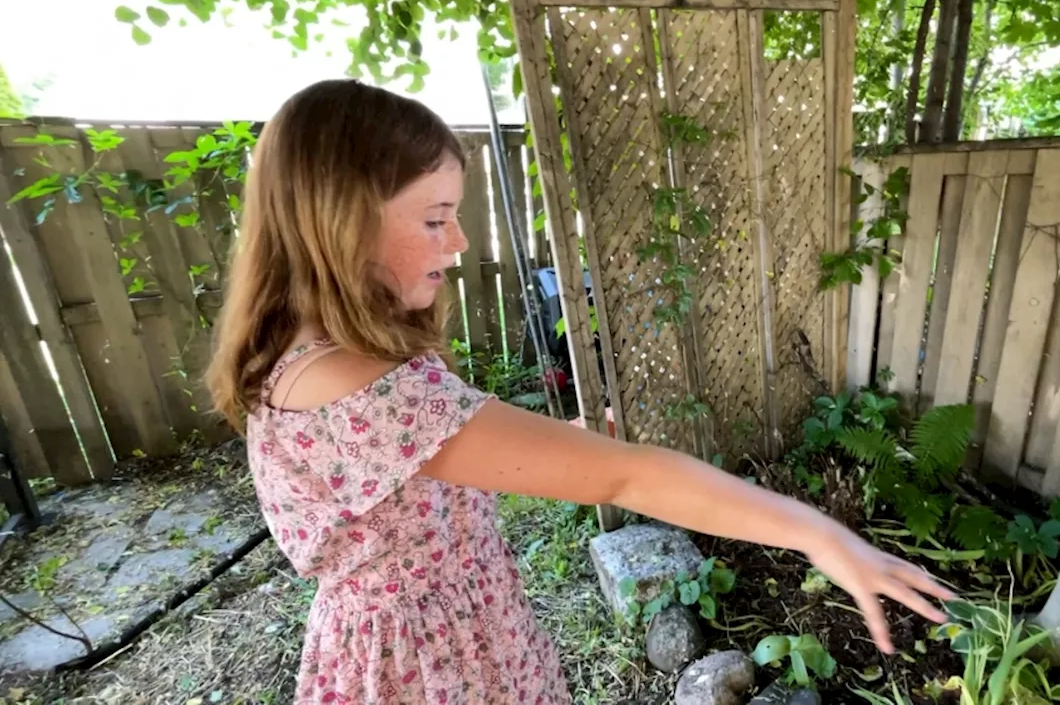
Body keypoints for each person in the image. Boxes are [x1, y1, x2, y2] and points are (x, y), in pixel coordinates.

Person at [206, 79, 954, 705]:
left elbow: (416, 489)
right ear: (337, 223)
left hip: (452, 638)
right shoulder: (356, 389)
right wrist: (818, 532)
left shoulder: (318, 355)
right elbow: (630, 475)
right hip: (429, 668)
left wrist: (554, 437)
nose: (459, 242)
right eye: (435, 218)